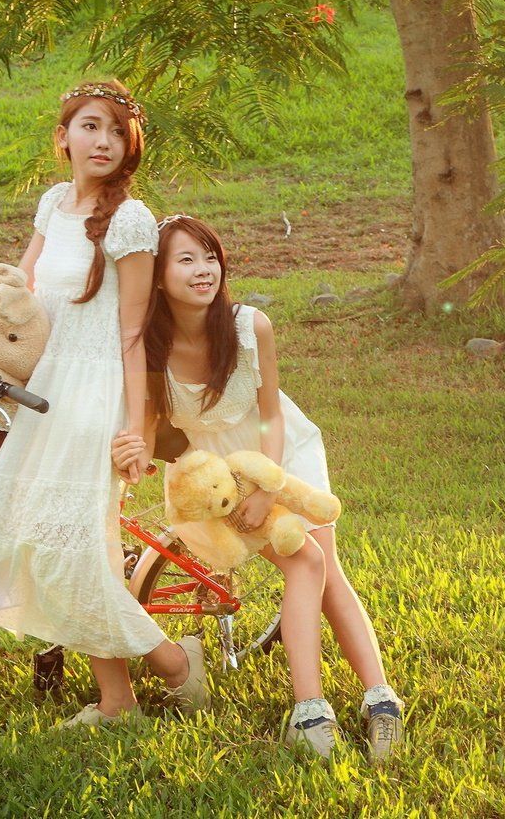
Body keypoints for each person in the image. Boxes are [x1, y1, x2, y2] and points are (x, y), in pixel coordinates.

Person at [0, 82, 206, 727]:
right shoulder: (53, 204)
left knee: (72, 545)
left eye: (117, 131)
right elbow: (17, 296)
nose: (104, 141)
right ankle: (124, 696)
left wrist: (137, 427)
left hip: (96, 393)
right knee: (45, 541)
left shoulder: (131, 220)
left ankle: (171, 667)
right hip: (44, 388)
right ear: (64, 136)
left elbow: (135, 332)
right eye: (90, 126)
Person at [144, 215, 404, 761]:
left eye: (210, 257)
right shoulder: (148, 346)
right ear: (158, 276)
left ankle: (379, 701)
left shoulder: (249, 325)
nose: (203, 269)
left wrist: (268, 484)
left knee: (325, 571)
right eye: (186, 260)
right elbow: (150, 426)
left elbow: (272, 414)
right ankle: (313, 712)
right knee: (308, 564)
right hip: (216, 476)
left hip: (279, 453)